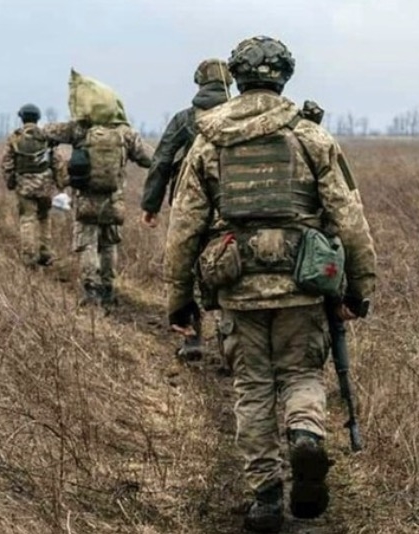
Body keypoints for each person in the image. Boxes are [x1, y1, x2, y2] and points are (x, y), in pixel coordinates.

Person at [163, 36, 376, 532]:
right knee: (302, 376)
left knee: (252, 388)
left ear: (237, 78)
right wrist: (357, 289)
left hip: (236, 287)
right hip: (304, 283)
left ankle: (264, 497)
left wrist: (179, 301)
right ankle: (305, 434)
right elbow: (350, 217)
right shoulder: (310, 137)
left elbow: (183, 229)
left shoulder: (209, 140)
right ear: (285, 77)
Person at [140, 58, 233, 360]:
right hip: (232, 207)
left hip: (189, 205)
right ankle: (229, 341)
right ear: (230, 83)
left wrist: (150, 205)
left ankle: (192, 336)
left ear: (199, 83)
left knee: (187, 268)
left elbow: (162, 161)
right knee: (227, 265)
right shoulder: (241, 116)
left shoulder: (185, 119)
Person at [43, 116, 153, 308]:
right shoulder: (124, 132)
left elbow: (47, 131)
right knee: (109, 245)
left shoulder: (79, 129)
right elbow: (149, 158)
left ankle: (91, 291)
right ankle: (108, 289)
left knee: (88, 245)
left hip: (86, 199)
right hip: (113, 200)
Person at [1, 103, 64, 268]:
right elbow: (56, 161)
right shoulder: (46, 136)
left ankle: (29, 257)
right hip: (45, 186)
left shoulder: (15, 137)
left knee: (27, 220)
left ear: (22, 117)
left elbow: (7, 162)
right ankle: (45, 253)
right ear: (38, 118)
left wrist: (10, 181)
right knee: (44, 218)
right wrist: (60, 182)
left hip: (24, 186)